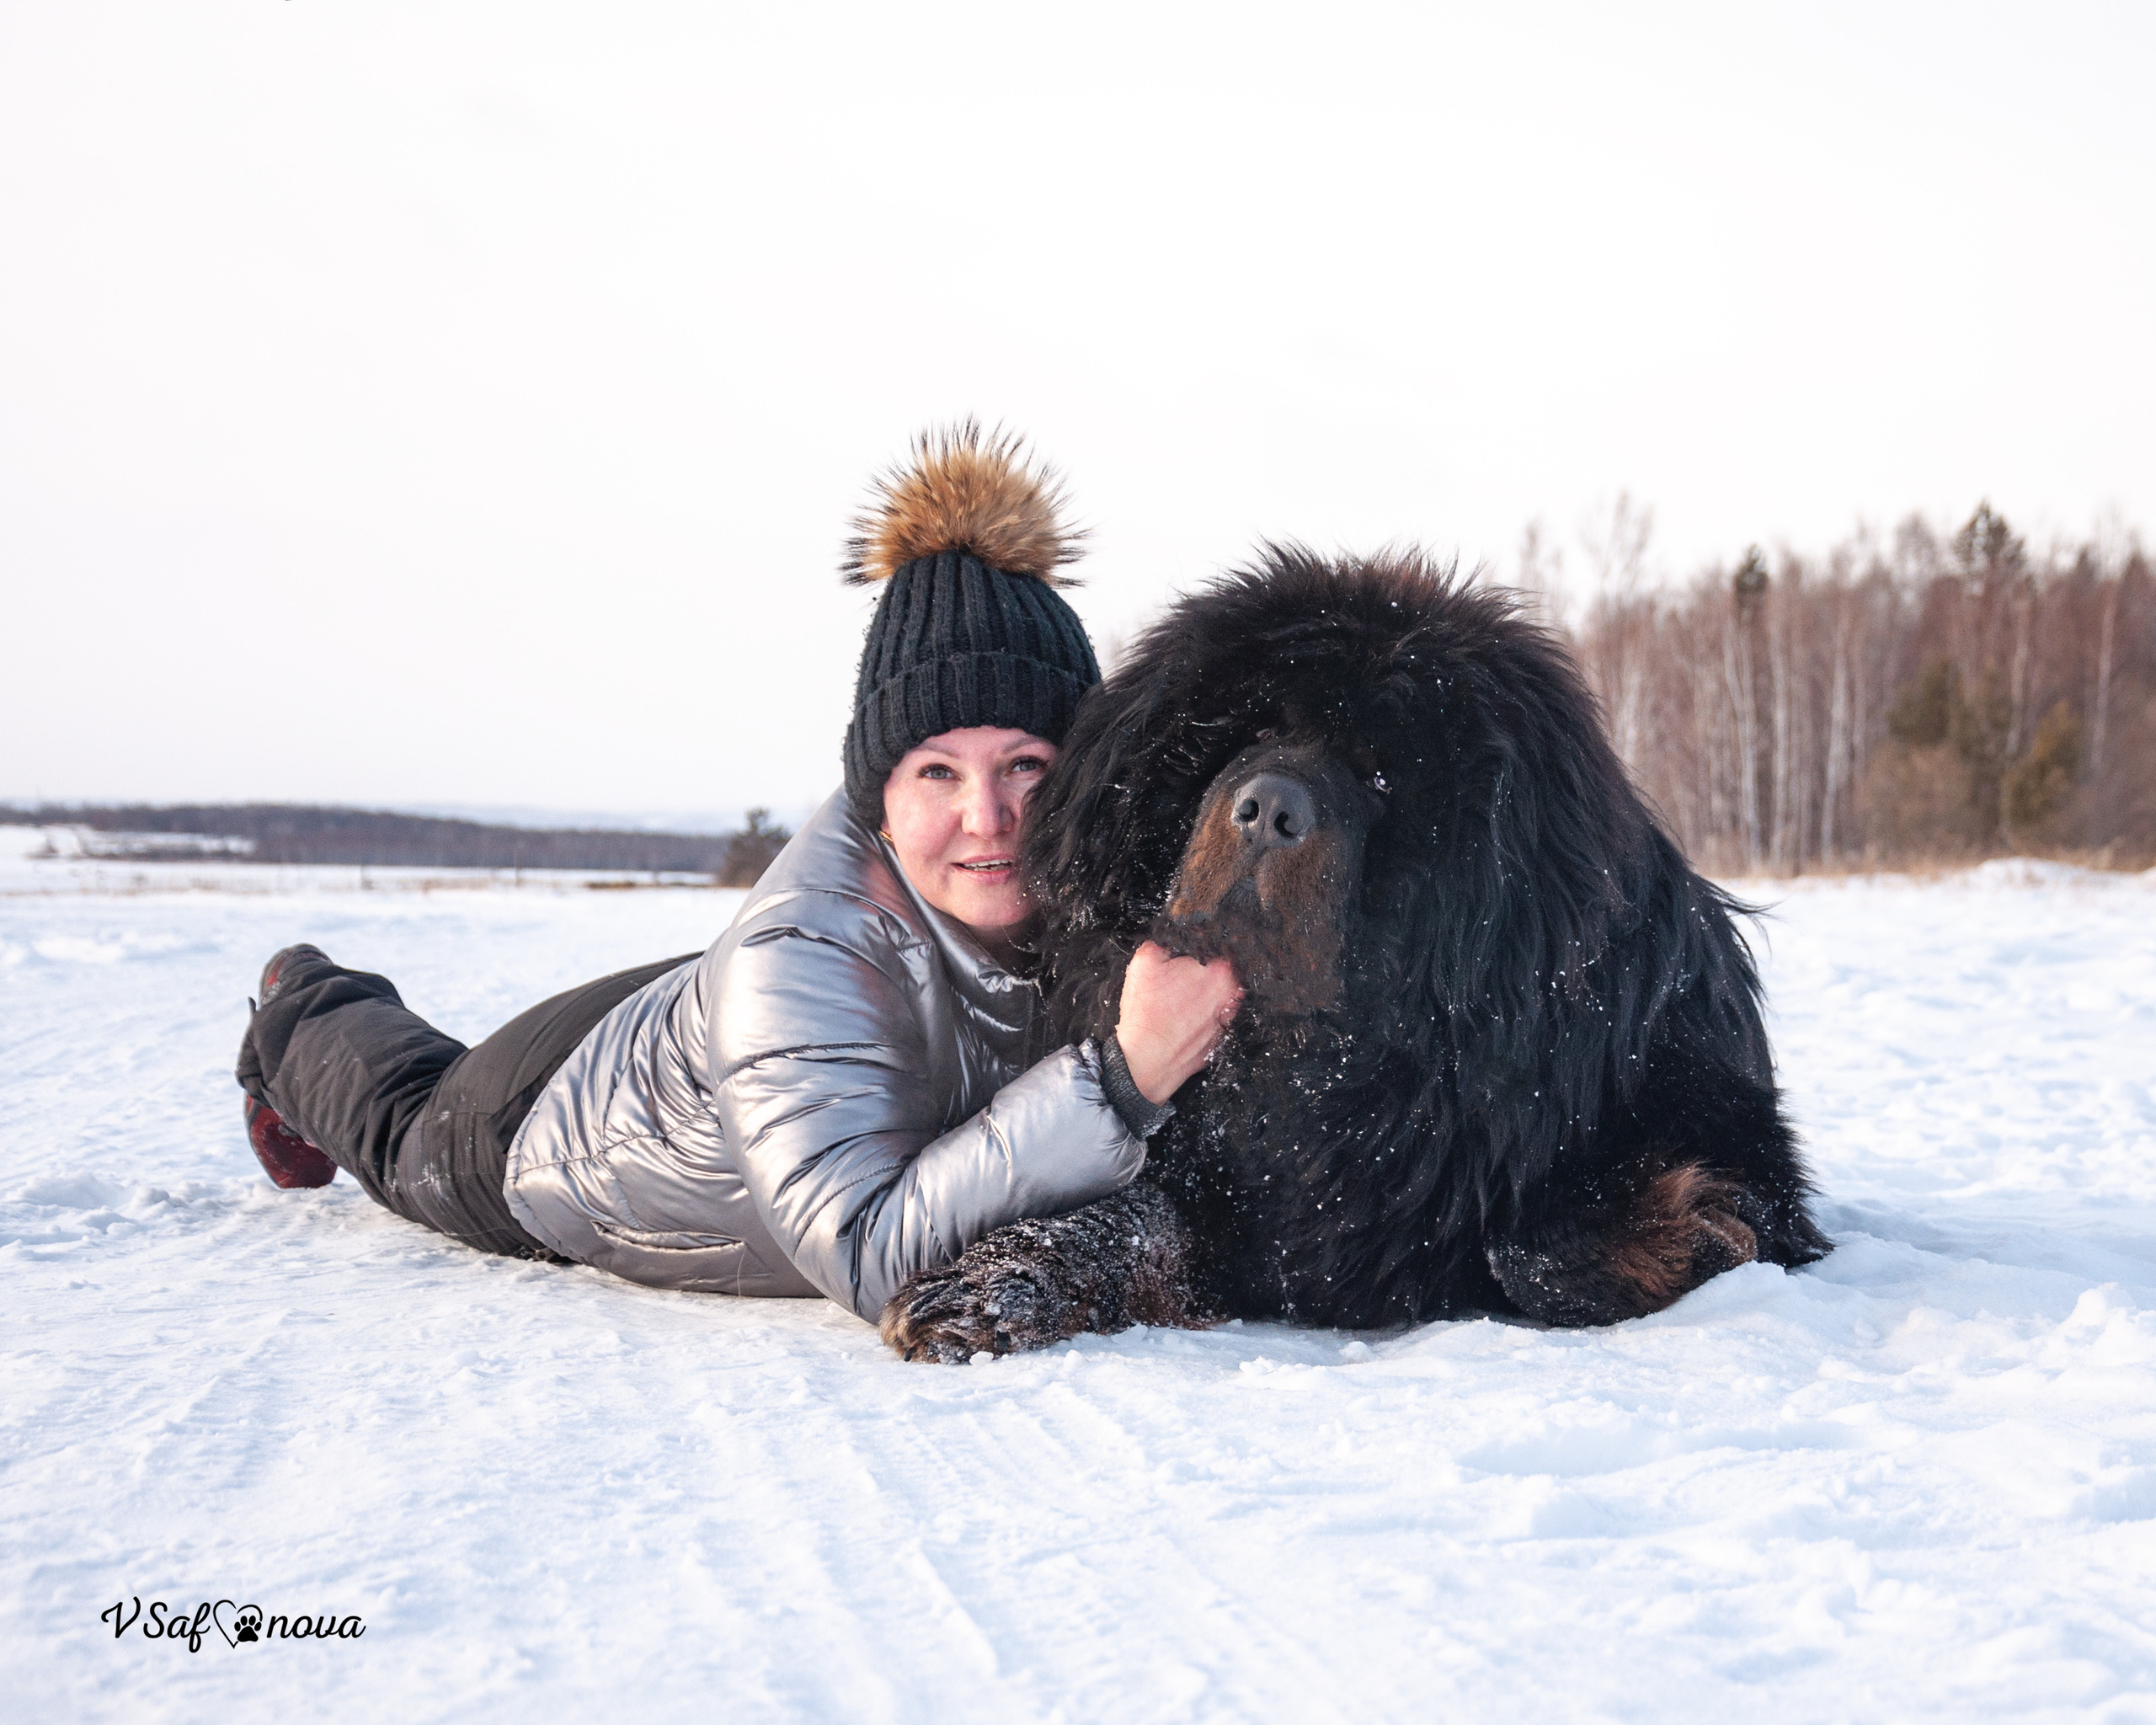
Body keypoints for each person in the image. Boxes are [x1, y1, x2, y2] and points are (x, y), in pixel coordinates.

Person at [234, 425, 1242, 1323]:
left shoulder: (1079, 890)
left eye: (1025, 763)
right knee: (406, 1114)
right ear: (878, 795)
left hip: (720, 1021)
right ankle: (301, 1007)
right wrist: (1118, 1081)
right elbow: (865, 1246)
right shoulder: (799, 950)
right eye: (937, 771)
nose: (989, 817)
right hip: (557, 1125)